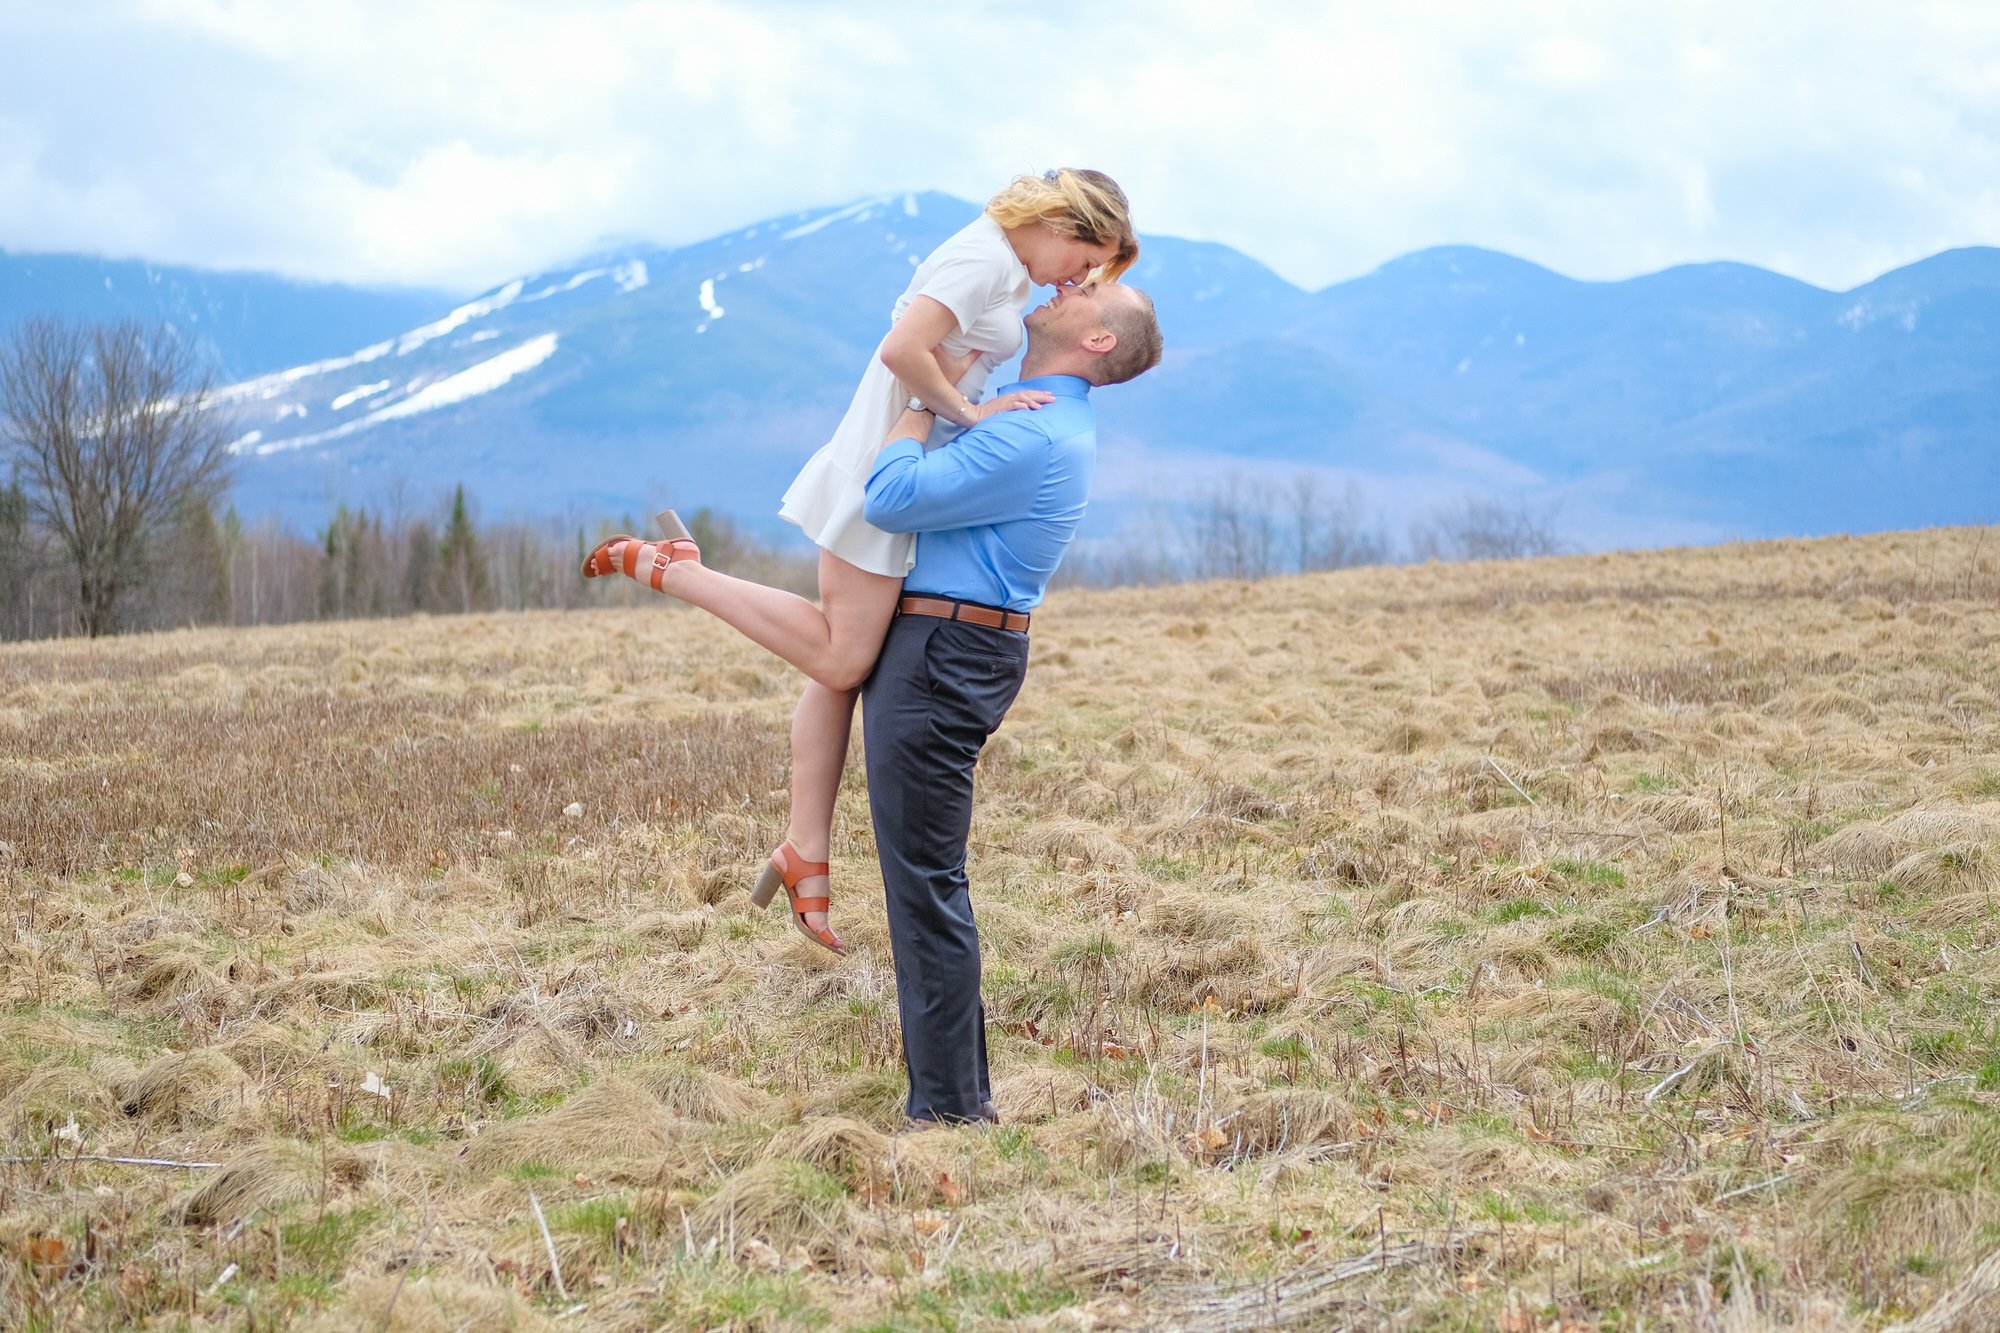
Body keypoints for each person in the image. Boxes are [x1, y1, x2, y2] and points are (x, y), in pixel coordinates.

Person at [582, 170, 1138, 955]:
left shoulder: (1001, 265)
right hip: (883, 459)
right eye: (1087, 259)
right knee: (843, 656)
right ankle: (676, 570)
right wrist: (972, 413)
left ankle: (805, 847)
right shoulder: (980, 261)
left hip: (903, 453)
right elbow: (901, 350)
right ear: (1062, 222)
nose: (1080, 279)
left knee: (841, 665)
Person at [859, 277, 1163, 1125]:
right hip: (952, 644)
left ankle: (952, 1112)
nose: (1067, 286)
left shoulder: (1033, 431)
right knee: (925, 874)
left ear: (1097, 340)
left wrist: (921, 405)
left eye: (1090, 289)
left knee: (923, 879)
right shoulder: (1026, 414)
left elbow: (888, 499)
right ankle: (953, 1097)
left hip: (944, 652)